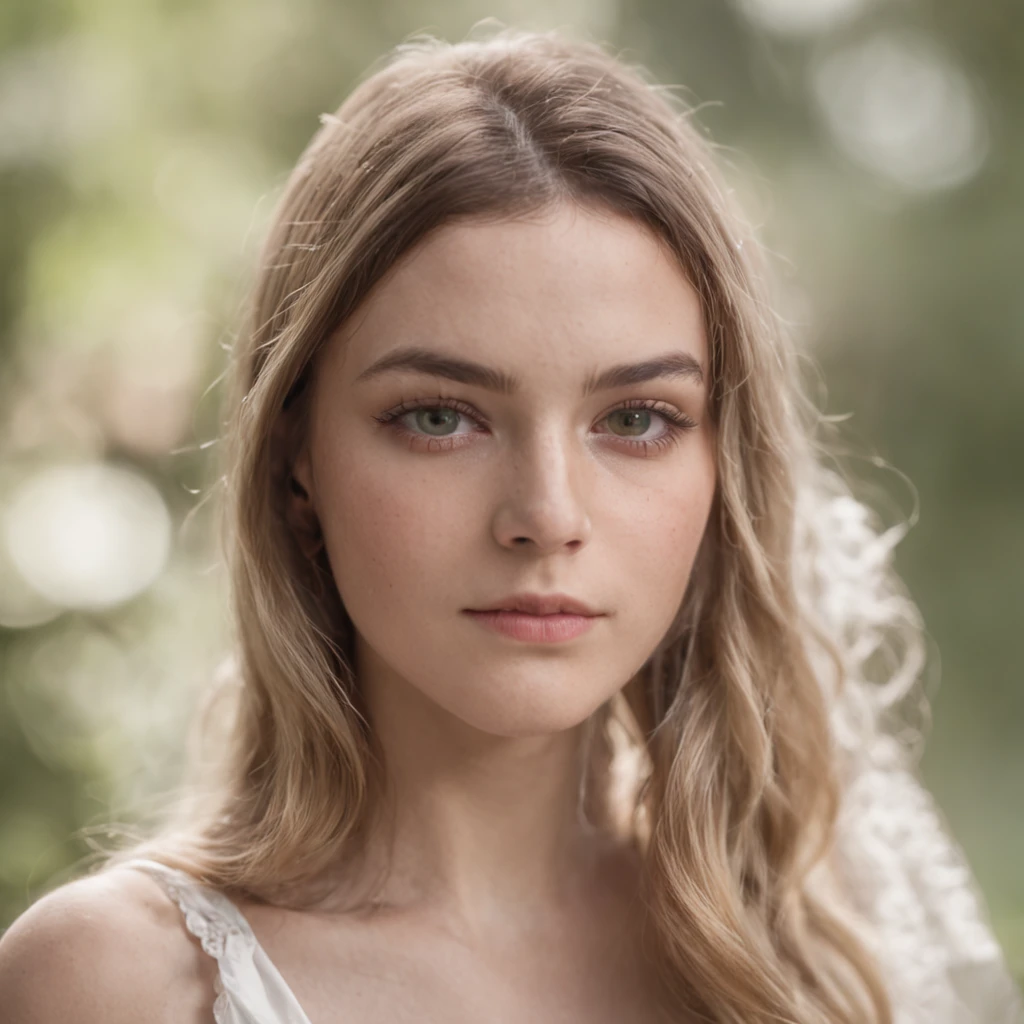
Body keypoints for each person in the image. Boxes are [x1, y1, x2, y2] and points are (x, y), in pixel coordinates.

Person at [0, 25, 1020, 1024]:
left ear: (724, 467)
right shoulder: (116, 985)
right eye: (440, 417)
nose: (546, 516)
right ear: (294, 460)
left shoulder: (813, 958)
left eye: (635, 420)